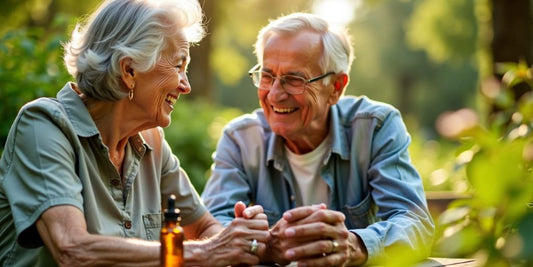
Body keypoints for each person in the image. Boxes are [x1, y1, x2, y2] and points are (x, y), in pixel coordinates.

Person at [0, 0, 270, 266]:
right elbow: (73, 249)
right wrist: (206, 252)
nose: (185, 86)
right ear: (129, 71)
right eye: (178, 66)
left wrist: (257, 244)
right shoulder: (44, 126)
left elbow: (201, 230)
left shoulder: (151, 141)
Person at [202, 12, 435, 266]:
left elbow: (415, 223)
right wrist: (267, 245)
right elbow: (212, 229)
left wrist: (355, 245)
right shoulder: (241, 139)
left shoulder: (375, 127)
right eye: (267, 76)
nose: (275, 95)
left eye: (294, 79)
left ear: (336, 87)